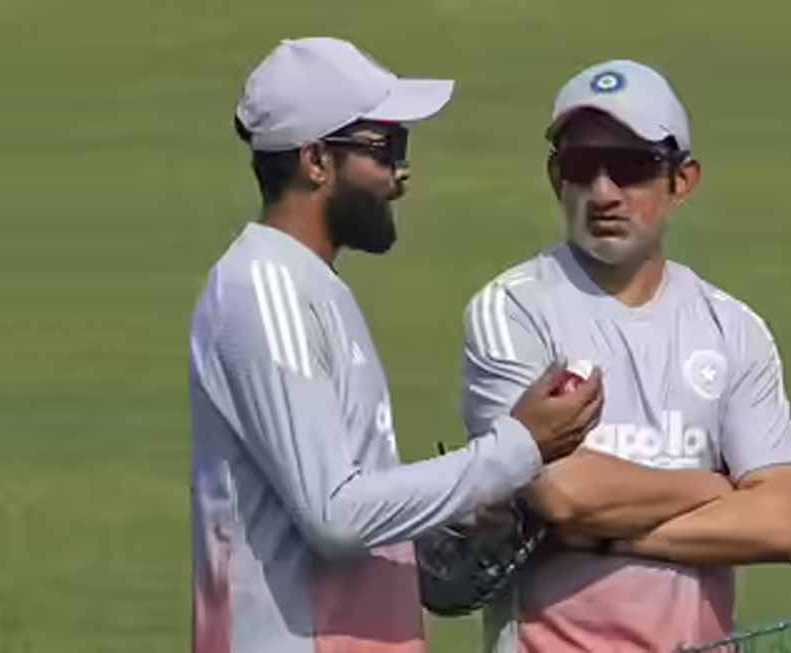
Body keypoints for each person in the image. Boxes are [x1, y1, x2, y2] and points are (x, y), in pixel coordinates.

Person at [188, 37, 603, 653]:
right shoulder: (264, 289)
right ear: (316, 161)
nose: (401, 175)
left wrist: (461, 509)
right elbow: (335, 515)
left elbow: (350, 491)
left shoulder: (312, 285)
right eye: (386, 149)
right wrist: (516, 448)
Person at [461, 59, 791, 652]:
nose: (603, 193)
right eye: (581, 167)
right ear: (556, 179)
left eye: (630, 168)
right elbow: (563, 493)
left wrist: (606, 536)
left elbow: (781, 523)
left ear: (682, 181)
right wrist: (714, 489)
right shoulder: (512, 311)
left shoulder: (733, 329)